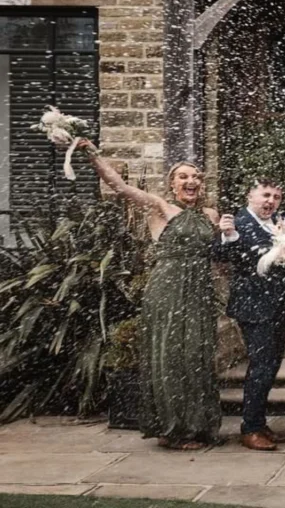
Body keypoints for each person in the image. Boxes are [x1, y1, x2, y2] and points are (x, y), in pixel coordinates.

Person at [79, 139, 222, 450]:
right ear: (172, 183)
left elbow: (219, 254)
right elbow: (119, 186)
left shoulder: (211, 215)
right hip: (168, 290)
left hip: (200, 291)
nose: (191, 181)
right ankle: (172, 429)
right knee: (170, 356)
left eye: (196, 176)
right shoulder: (160, 207)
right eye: (183, 176)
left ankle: (199, 424)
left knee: (196, 355)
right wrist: (93, 156)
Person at [214, 172, 285, 451]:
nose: (271, 201)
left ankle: (259, 423)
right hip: (254, 305)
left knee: (270, 366)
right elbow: (222, 256)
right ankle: (251, 428)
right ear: (250, 196)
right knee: (261, 366)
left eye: (276, 197)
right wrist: (228, 236)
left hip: (278, 304)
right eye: (265, 195)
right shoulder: (237, 223)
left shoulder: (277, 223)